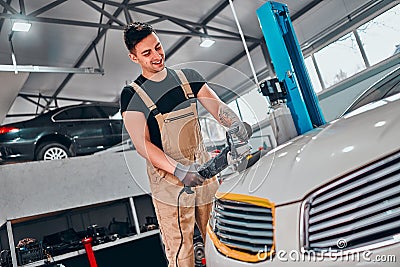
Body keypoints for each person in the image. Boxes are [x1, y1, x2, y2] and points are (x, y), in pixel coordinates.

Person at [120, 22, 251, 267]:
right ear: (133, 57)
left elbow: (218, 107)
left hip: (204, 171)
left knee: (222, 241)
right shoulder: (132, 94)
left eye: (158, 47)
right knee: (182, 254)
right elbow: (142, 145)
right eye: (147, 53)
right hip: (170, 184)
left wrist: (235, 125)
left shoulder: (188, 78)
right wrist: (180, 171)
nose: (157, 56)